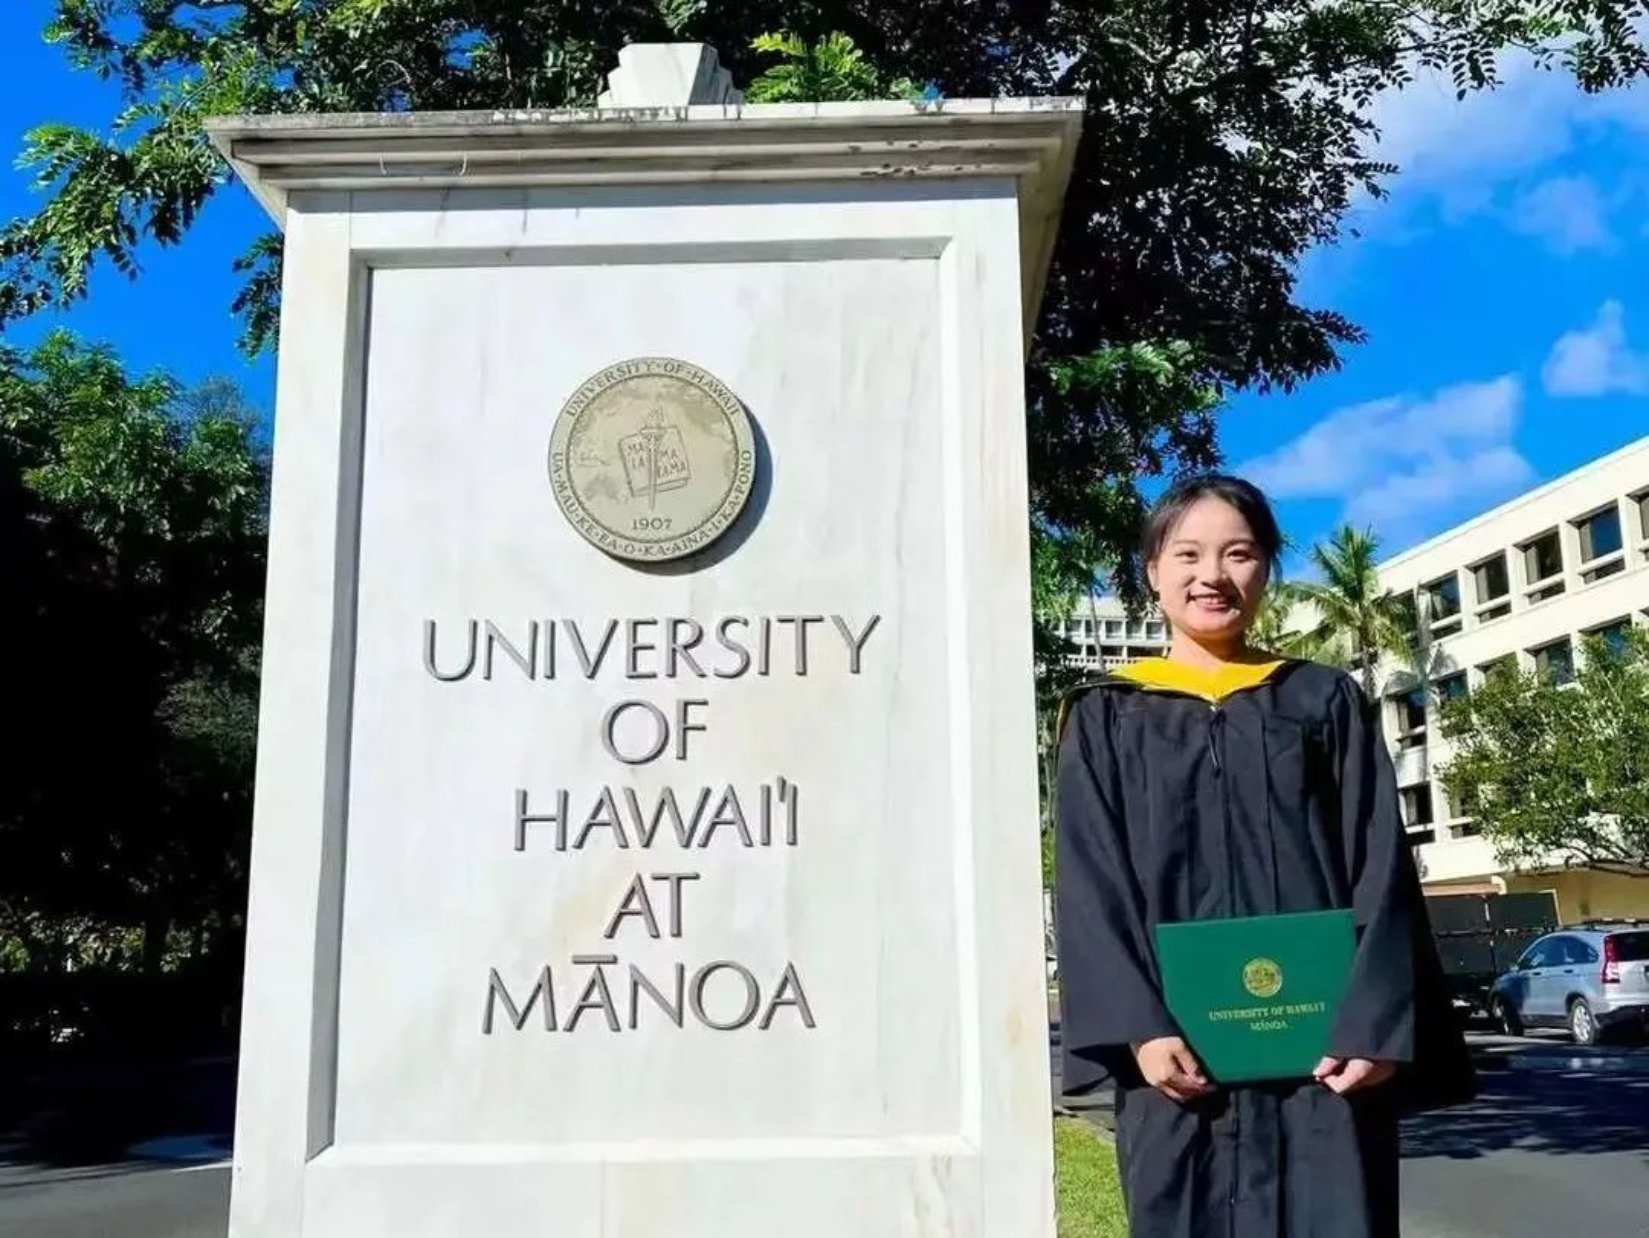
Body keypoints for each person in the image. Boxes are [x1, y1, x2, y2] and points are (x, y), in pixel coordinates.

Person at [1053, 474, 1473, 1238]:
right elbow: (1091, 881)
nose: (1211, 575)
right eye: (1187, 555)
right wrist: (1140, 1030)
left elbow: (1379, 866)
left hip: (1322, 1059)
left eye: (1238, 553)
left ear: (1266, 569)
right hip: (1177, 1058)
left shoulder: (1321, 701)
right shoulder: (1106, 714)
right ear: (1152, 571)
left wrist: (1372, 1026)